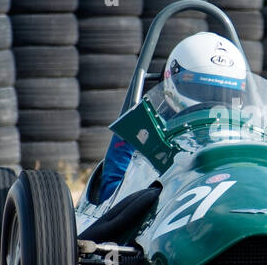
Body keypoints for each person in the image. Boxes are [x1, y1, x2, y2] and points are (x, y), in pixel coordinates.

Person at [97, 32, 248, 201]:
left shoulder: (249, 134)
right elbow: (110, 198)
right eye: (200, 91)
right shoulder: (141, 129)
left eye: (223, 96)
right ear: (170, 77)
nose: (211, 106)